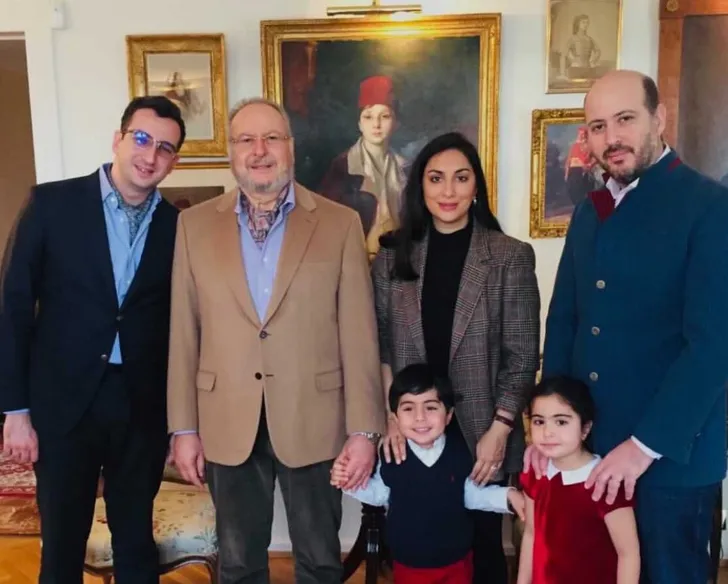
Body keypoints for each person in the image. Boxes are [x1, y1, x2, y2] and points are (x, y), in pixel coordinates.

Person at [166, 97, 386, 584]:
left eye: (271, 138)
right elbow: (184, 332)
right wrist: (183, 428)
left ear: (290, 147)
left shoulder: (340, 223)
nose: (259, 150)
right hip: (225, 419)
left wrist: (364, 430)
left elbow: (359, 334)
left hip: (316, 417)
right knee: (238, 564)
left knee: (320, 562)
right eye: (246, 139)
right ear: (231, 151)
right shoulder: (193, 226)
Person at [532, 70, 728, 584]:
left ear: (659, 118)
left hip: (671, 462)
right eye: (598, 126)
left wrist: (642, 447)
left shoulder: (710, 206)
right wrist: (549, 424)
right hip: (590, 452)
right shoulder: (588, 213)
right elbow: (565, 321)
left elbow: (713, 347)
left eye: (625, 120)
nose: (611, 137)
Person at [0, 95, 186, 584]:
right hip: (63, 405)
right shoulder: (51, 204)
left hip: (141, 409)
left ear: (173, 161)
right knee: (62, 547)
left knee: (136, 544)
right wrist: (15, 410)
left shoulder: (179, 227)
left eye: (165, 148)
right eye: (141, 139)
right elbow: (12, 306)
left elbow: (185, 327)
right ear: (118, 139)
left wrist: (182, 423)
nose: (150, 155)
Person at [372, 132, 541, 584]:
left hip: (482, 429)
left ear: (476, 186)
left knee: (483, 548)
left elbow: (522, 356)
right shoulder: (392, 257)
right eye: (436, 178)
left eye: (461, 178)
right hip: (412, 425)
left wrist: (500, 430)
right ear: (420, 187)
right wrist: (392, 417)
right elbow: (382, 343)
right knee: (418, 544)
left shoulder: (509, 257)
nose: (448, 191)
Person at [332, 363, 525, 584]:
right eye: (408, 408)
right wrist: (348, 480)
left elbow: (471, 494)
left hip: (457, 562)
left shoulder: (459, 452)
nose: (420, 417)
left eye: (431, 407)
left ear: (449, 415)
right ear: (395, 417)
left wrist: (508, 496)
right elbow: (378, 494)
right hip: (409, 563)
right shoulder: (391, 456)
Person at [517, 376, 640, 584]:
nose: (547, 432)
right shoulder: (535, 474)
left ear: (585, 428)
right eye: (539, 421)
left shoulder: (605, 482)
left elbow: (628, 553)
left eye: (561, 422)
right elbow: (530, 534)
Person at [318, 74, 407, 259]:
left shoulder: (405, 168)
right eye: (368, 117)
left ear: (396, 123)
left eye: (385, 116)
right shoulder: (342, 167)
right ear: (359, 123)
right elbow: (326, 224)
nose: (376, 124)